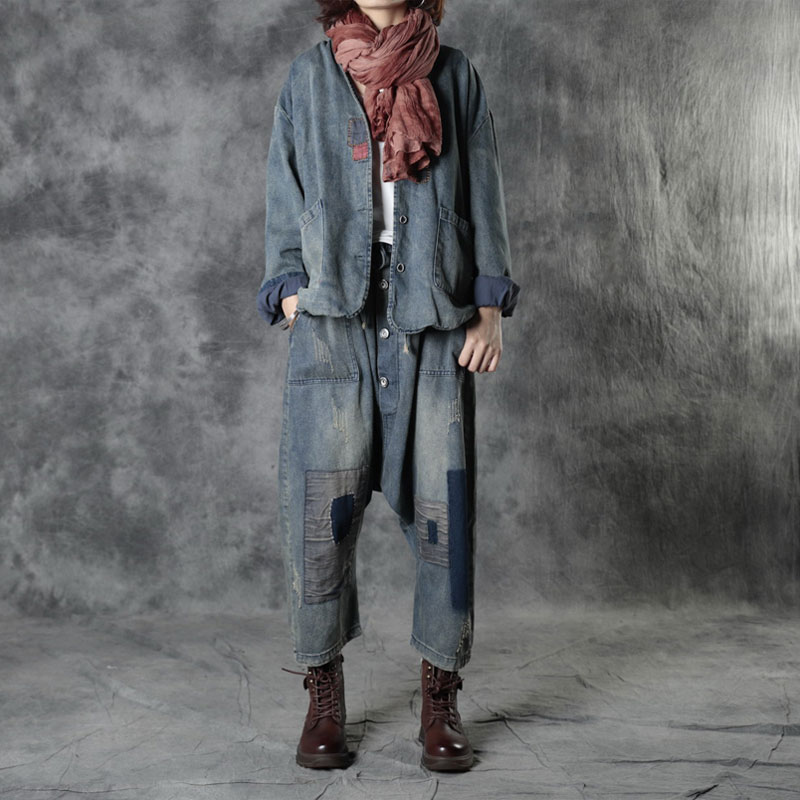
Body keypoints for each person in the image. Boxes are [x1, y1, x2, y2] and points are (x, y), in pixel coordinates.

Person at [257, 0, 520, 772]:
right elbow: (284, 189)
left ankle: (441, 695)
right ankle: (322, 693)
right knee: (319, 515)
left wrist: (488, 307)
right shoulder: (308, 78)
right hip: (334, 315)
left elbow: (484, 190)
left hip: (430, 312)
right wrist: (290, 290)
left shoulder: (455, 73)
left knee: (443, 514)